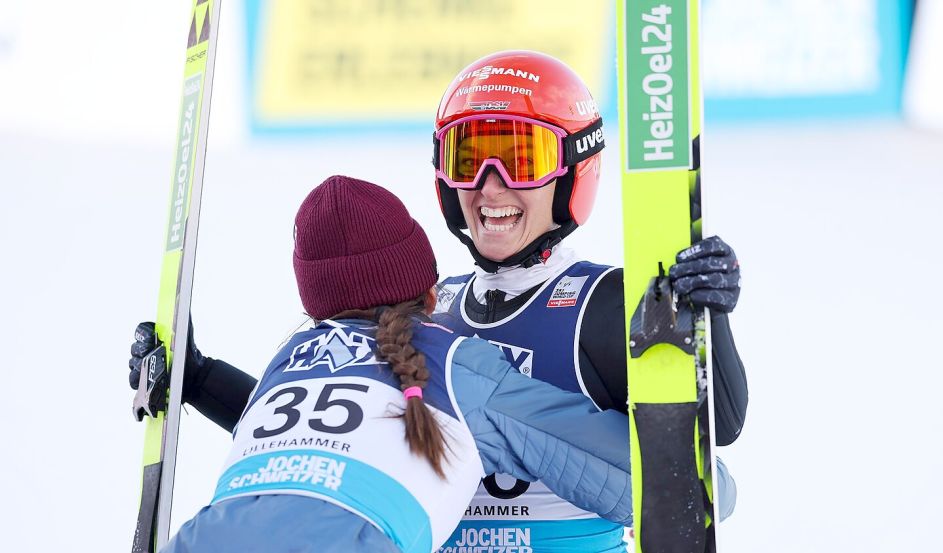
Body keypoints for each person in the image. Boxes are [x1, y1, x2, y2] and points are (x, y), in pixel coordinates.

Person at [128, 51, 748, 553]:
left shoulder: (601, 302)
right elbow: (334, 442)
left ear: (570, 172)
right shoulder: (428, 312)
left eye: (521, 159)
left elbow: (717, 433)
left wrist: (707, 320)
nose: (489, 187)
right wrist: (198, 379)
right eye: (470, 158)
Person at [156, 175, 633, 553]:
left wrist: (196, 378)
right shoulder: (455, 368)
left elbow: (314, 459)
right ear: (431, 295)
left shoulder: (291, 357)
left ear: (315, 307)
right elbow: (632, 480)